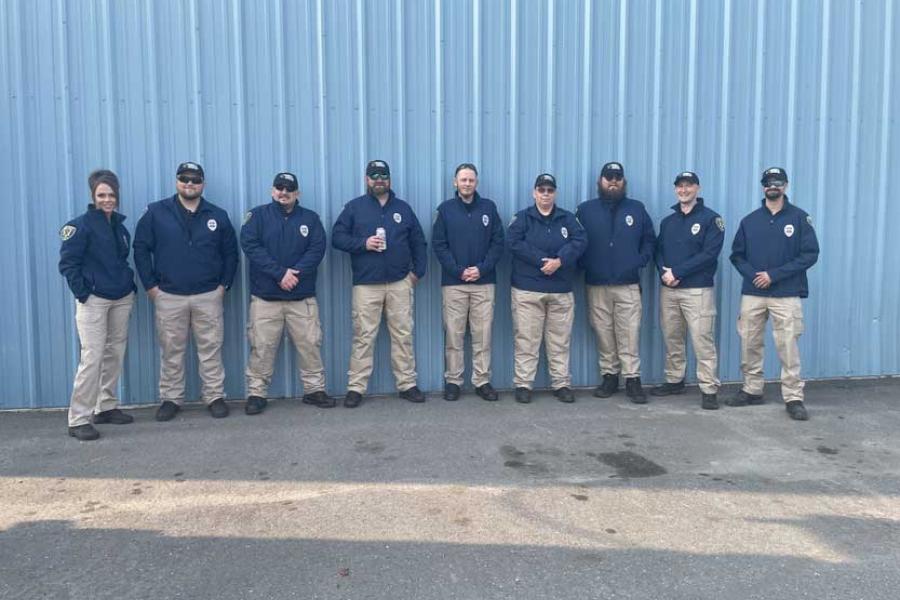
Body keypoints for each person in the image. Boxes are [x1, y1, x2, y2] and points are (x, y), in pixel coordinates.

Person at [133, 162, 238, 420]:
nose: (189, 184)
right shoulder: (156, 212)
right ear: (176, 181)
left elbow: (230, 253)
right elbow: (140, 249)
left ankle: (214, 396)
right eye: (184, 179)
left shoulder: (217, 215)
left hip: (208, 295)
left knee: (211, 348)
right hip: (169, 295)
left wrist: (223, 286)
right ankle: (171, 398)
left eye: (195, 179)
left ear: (203, 183)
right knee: (171, 350)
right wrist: (151, 287)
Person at [331, 160, 428, 408]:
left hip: (399, 283)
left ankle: (407, 384)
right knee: (363, 336)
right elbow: (337, 237)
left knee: (403, 335)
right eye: (374, 175)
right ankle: (356, 388)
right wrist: (363, 243)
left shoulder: (403, 209)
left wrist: (417, 273)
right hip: (366, 285)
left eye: (383, 175)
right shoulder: (355, 208)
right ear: (367, 180)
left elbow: (419, 242)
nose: (379, 179)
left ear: (390, 179)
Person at [729, 167, 819, 420]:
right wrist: (755, 276)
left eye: (778, 182)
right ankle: (752, 389)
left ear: (786, 186)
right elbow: (737, 255)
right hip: (753, 293)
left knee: (787, 345)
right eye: (768, 182)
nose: (773, 186)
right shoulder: (749, 221)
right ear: (763, 187)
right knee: (750, 342)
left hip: (786, 293)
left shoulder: (800, 219)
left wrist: (774, 275)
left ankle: (793, 397)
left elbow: (810, 254)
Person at [240, 172, 332, 415]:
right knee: (261, 346)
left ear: (297, 193)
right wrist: (279, 274)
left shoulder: (310, 219)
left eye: (289, 188)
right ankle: (257, 393)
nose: (283, 192)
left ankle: (314, 391)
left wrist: (296, 273)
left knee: (310, 344)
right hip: (266, 298)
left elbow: (317, 248)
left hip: (301, 297)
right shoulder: (258, 216)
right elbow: (250, 246)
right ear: (272, 191)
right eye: (279, 187)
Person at [58, 170, 136, 441]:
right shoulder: (79, 227)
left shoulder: (120, 227)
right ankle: (79, 418)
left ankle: (106, 406)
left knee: (114, 353)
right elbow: (68, 264)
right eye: (101, 195)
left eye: (111, 194)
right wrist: (84, 293)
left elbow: (121, 261)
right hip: (95, 300)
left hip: (121, 297)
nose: (107, 199)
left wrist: (129, 284)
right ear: (93, 196)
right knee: (92, 357)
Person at [576, 162, 655, 403]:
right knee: (603, 331)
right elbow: (574, 242)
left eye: (617, 177)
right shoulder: (585, 210)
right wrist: (585, 265)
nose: (613, 181)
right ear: (599, 181)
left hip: (627, 284)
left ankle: (632, 379)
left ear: (624, 181)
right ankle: (609, 376)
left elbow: (649, 241)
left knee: (629, 332)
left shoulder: (637, 209)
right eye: (608, 177)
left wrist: (637, 262)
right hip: (596, 284)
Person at [507, 173, 587, 404]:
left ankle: (561, 383)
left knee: (559, 341)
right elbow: (513, 242)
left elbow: (580, 241)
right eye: (541, 190)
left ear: (555, 193)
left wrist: (560, 260)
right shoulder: (522, 218)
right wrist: (542, 261)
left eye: (549, 190)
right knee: (526, 340)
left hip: (560, 289)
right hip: (528, 289)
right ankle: (523, 384)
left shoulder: (567, 219)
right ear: (534, 193)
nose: (545, 194)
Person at [432, 163, 504, 401]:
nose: (467, 184)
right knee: (454, 334)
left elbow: (497, 243)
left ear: (476, 182)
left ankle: (482, 381)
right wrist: (459, 270)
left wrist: (481, 270)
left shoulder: (489, 209)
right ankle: (454, 381)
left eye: (471, 180)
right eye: (463, 180)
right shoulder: (445, 210)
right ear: (455, 182)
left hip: (484, 283)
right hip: (454, 284)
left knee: (483, 335)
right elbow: (439, 245)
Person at [652, 171, 724, 409]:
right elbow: (658, 250)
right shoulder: (668, 221)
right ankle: (674, 380)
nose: (684, 190)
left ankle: (708, 389)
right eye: (680, 186)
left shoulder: (711, 220)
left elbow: (709, 254)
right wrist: (664, 272)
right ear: (675, 190)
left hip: (697, 291)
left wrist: (678, 272)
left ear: (698, 188)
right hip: (669, 289)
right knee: (672, 337)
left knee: (702, 339)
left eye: (688, 186)